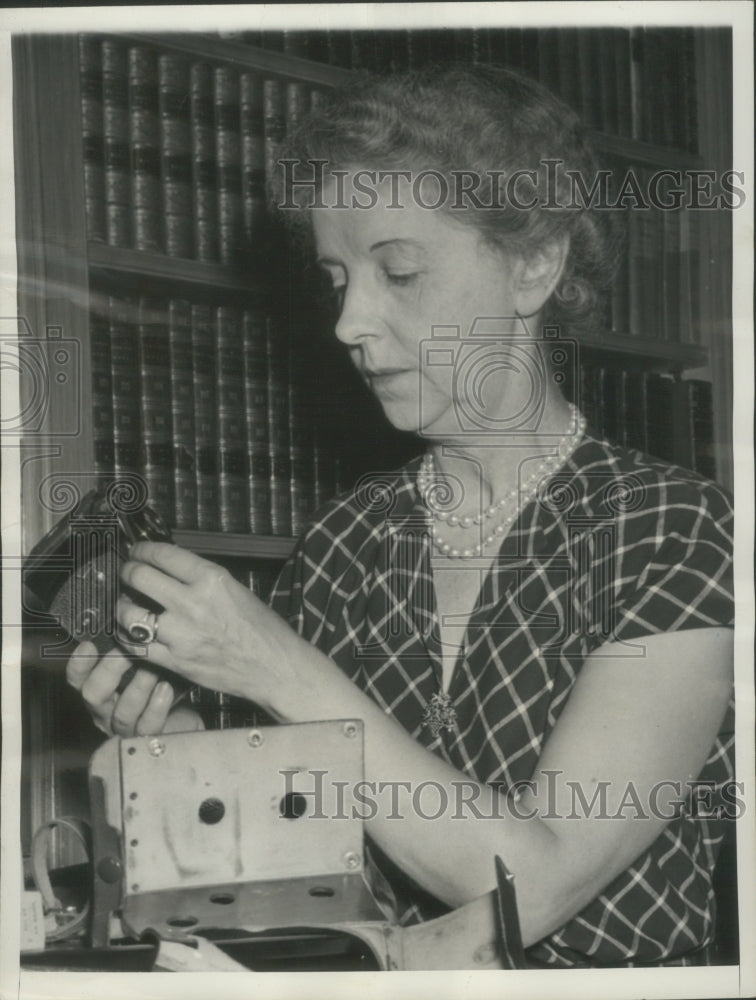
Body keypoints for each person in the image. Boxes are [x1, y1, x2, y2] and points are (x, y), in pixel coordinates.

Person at [66, 65, 734, 968]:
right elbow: (302, 863)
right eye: (338, 277)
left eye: (400, 272)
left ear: (535, 264)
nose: (348, 320)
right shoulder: (348, 541)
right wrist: (179, 744)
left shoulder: (673, 529)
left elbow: (532, 883)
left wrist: (273, 661)